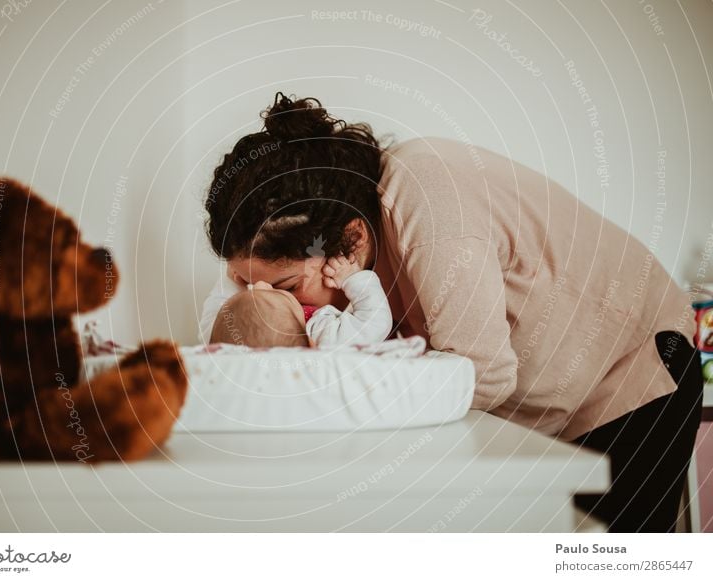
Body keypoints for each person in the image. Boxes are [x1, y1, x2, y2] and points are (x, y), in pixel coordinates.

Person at [201, 92, 703, 531]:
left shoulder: (429, 202)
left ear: (351, 240)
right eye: (244, 285)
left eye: (285, 285)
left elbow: (482, 377)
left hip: (635, 368)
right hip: (539, 410)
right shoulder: (355, 266)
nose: (270, 302)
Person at [202, 253, 393, 348]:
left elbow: (216, 320)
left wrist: (233, 279)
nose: (259, 284)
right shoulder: (317, 333)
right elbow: (374, 322)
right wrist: (353, 278)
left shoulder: (232, 341)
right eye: (280, 291)